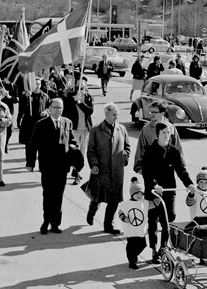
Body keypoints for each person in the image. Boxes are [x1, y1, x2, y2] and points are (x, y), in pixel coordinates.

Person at [142, 122, 196, 263]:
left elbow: (181, 170)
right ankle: (154, 250)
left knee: (168, 219)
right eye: (164, 133)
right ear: (158, 134)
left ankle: (163, 247)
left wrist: (189, 183)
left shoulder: (173, 151)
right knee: (153, 222)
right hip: (153, 191)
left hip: (169, 189)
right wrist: (154, 184)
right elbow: (146, 172)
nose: (167, 135)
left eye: (169, 133)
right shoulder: (150, 151)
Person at [26, 99, 77, 234]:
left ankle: (55, 223)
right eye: (56, 108)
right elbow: (33, 145)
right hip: (47, 166)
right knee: (48, 195)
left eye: (61, 108)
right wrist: (30, 163)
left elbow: (72, 140)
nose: (58, 110)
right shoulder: (41, 124)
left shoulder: (67, 122)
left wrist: (74, 153)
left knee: (59, 196)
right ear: (49, 109)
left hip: (62, 166)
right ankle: (46, 221)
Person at [84, 103, 131, 234]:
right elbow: (91, 150)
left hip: (117, 170)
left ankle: (108, 224)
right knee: (97, 196)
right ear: (106, 115)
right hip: (101, 170)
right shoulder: (96, 130)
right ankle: (92, 210)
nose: (116, 117)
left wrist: (125, 157)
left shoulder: (121, 129)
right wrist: (93, 165)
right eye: (114, 115)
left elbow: (127, 146)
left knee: (115, 199)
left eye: (117, 114)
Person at [133, 101, 183, 175]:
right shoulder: (146, 129)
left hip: (168, 171)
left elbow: (178, 149)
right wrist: (139, 168)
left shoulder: (171, 129)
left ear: (162, 113)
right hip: (150, 171)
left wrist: (182, 168)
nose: (152, 115)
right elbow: (140, 149)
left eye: (155, 112)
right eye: (150, 112)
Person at [62, 74, 93, 185]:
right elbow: (65, 110)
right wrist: (72, 100)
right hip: (74, 128)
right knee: (75, 151)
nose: (81, 84)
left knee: (82, 152)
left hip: (85, 128)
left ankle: (76, 171)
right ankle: (76, 174)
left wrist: (80, 103)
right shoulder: (71, 96)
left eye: (83, 82)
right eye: (79, 82)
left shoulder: (88, 96)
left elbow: (90, 111)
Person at [118, 177, 149, 269]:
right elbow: (120, 212)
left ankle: (133, 255)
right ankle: (132, 261)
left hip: (140, 230)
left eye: (141, 193)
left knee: (143, 245)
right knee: (131, 246)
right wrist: (124, 218)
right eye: (136, 193)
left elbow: (153, 205)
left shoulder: (144, 202)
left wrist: (158, 198)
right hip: (131, 230)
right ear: (132, 194)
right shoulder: (126, 204)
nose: (139, 195)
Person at [18, 79, 51, 146]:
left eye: (38, 84)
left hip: (41, 123)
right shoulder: (27, 95)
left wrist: (46, 112)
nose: (37, 86)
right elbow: (22, 109)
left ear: (40, 85)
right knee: (29, 148)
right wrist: (26, 97)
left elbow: (49, 108)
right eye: (35, 84)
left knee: (41, 146)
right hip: (29, 124)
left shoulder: (45, 96)